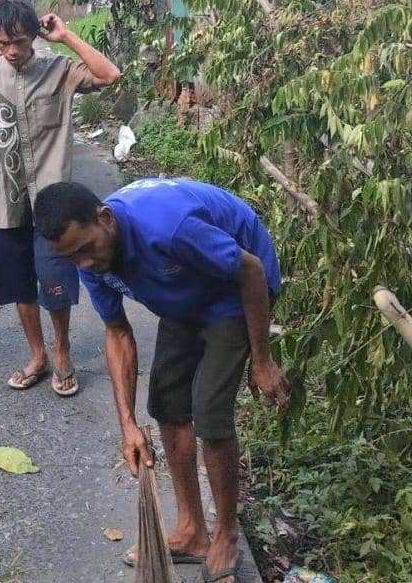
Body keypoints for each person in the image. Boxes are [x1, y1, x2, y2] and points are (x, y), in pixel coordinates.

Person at [34, 179, 291, 583]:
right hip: (184, 294)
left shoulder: (169, 226)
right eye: (70, 258)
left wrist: (262, 360)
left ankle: (225, 531)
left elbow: (250, 271)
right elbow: (117, 332)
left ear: (105, 219)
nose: (82, 264)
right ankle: (192, 530)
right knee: (168, 403)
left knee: (209, 411)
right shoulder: (88, 259)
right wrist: (128, 425)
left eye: (85, 249)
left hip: (234, 291)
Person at [0, 0, 120, 396]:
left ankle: (62, 349)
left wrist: (65, 37)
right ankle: (37, 355)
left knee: (54, 278)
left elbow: (109, 74)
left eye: (18, 41)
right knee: (19, 283)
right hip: (5, 201)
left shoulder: (58, 70)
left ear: (33, 34)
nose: (12, 50)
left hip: (52, 203)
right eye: (3, 43)